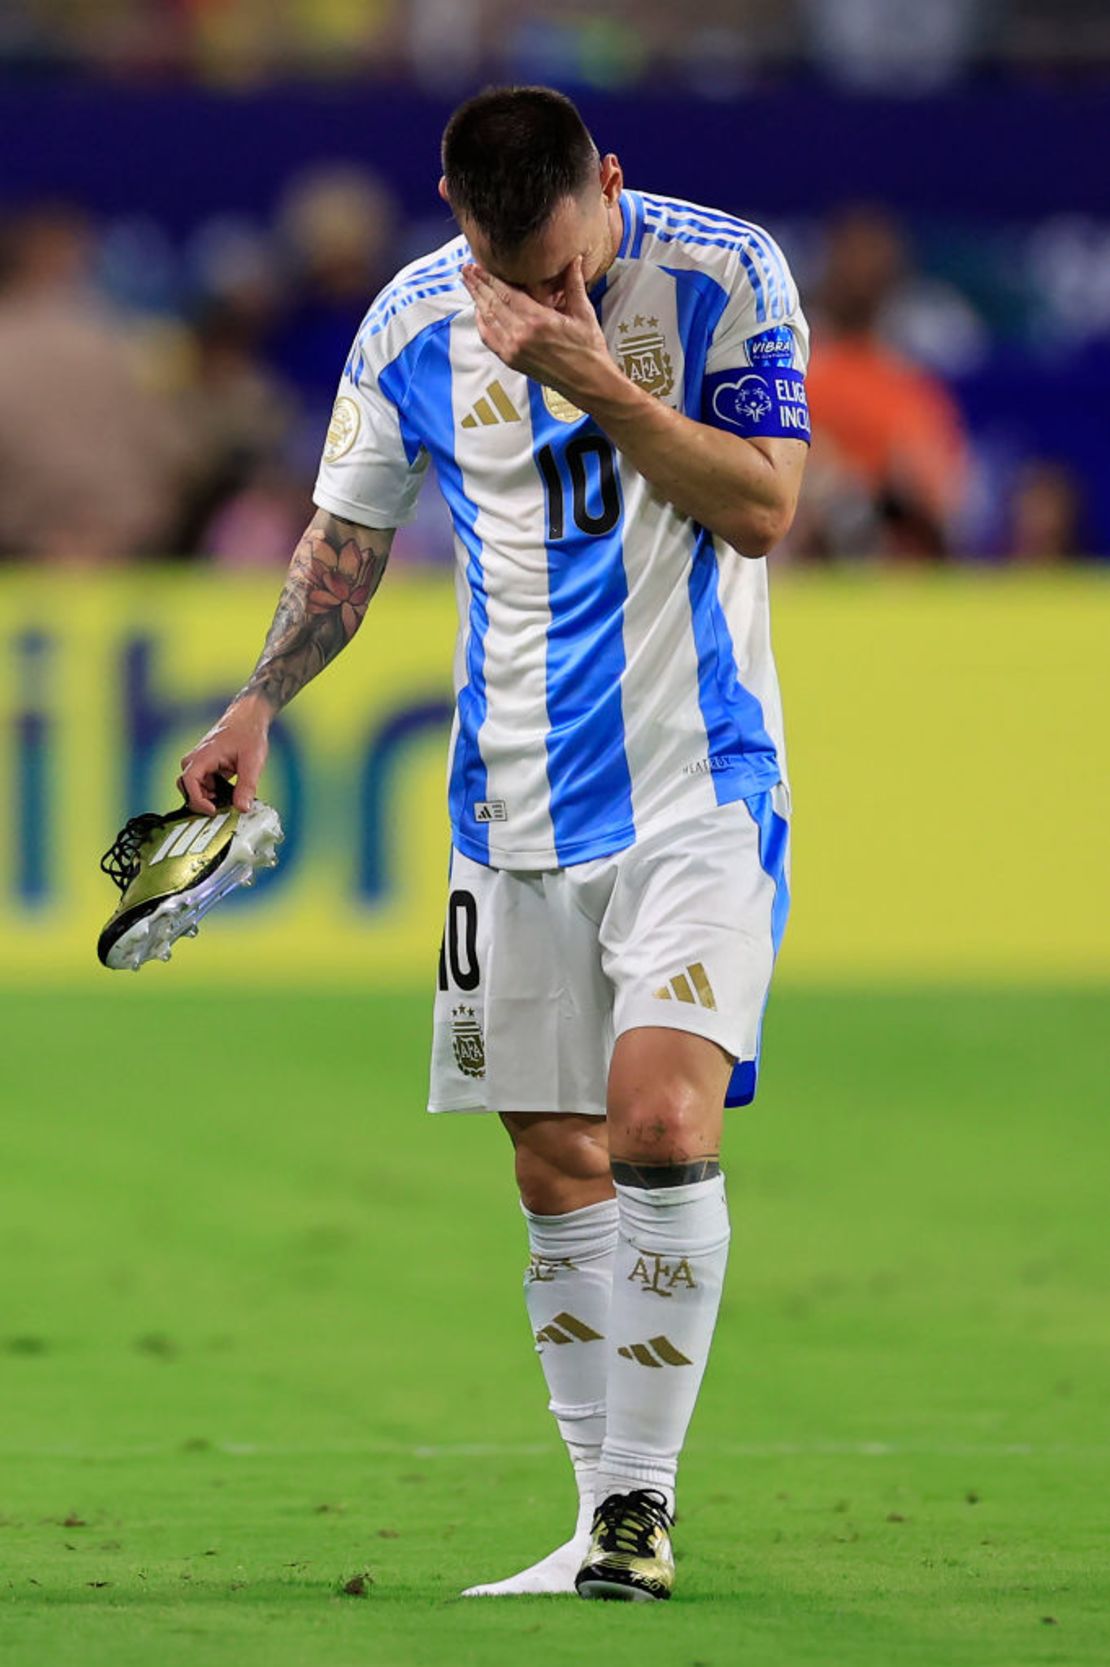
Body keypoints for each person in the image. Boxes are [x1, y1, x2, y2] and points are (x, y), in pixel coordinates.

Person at [178, 85, 809, 1602]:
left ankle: (640, 1518)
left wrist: (601, 381)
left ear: (609, 183)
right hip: (507, 810)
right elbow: (346, 538)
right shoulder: (409, 322)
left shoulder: (723, 276)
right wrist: (259, 697)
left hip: (694, 788)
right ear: (456, 215)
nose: (541, 298)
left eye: (564, 262)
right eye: (510, 274)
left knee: (661, 1127)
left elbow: (766, 508)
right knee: (548, 1162)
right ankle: (597, 1517)